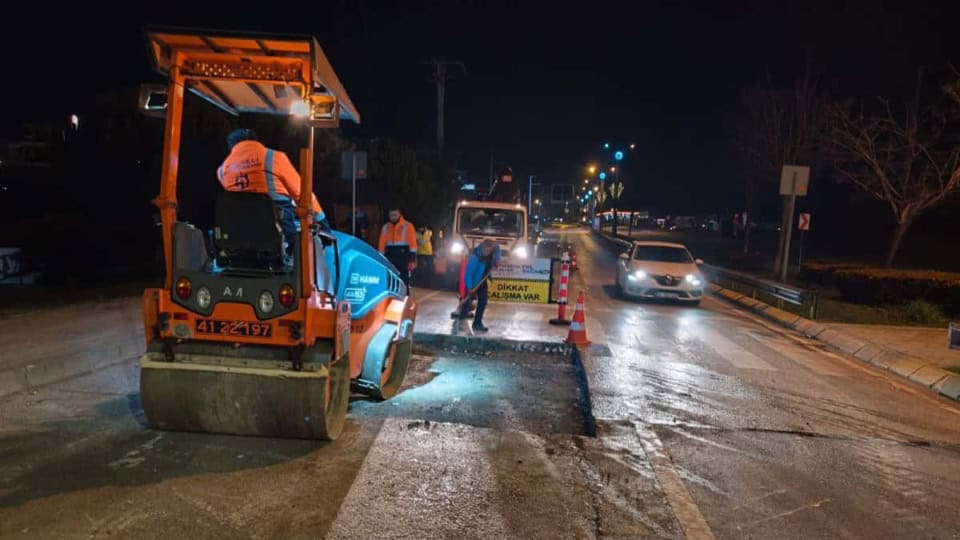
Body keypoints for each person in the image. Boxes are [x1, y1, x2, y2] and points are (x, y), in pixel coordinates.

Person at [217, 128, 332, 258]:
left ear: (232, 146)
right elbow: (302, 194)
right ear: (255, 141)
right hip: (277, 234)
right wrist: (323, 224)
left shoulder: (222, 170)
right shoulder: (273, 158)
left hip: (237, 240)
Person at [458, 239, 496, 333]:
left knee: (483, 301)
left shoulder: (491, 254)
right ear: (482, 248)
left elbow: (497, 250)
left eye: (489, 251)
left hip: (482, 281)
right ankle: (461, 321)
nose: (487, 253)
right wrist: (470, 288)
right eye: (486, 250)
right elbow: (468, 274)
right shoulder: (475, 258)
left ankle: (477, 323)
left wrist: (496, 262)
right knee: (467, 303)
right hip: (472, 282)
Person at [378, 208, 417, 286]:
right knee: (390, 280)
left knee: (403, 280)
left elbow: (413, 244)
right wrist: (380, 258)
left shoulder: (408, 226)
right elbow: (381, 244)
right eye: (391, 215)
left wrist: (412, 259)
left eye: (395, 215)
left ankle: (404, 296)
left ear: (400, 214)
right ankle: (391, 297)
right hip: (390, 256)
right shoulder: (386, 227)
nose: (393, 217)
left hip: (404, 256)